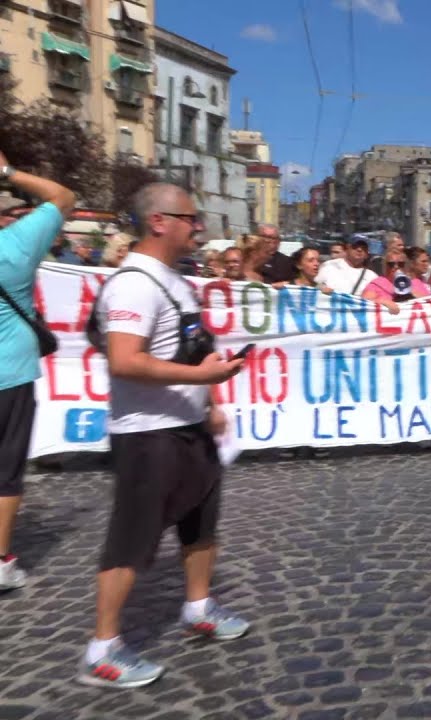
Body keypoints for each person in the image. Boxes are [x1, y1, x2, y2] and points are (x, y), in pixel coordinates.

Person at [82, 182, 247, 687]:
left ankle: (198, 607)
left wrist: (211, 400)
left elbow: (192, 350)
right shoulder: (132, 284)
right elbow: (126, 361)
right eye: (190, 218)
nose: (198, 227)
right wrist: (206, 380)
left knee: (201, 527)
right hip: (148, 434)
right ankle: (102, 649)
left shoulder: (176, 280)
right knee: (132, 541)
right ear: (159, 222)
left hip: (189, 427)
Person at [0, 151, 76, 590]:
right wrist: (8, 172)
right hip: (10, 372)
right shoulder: (14, 245)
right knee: (6, 468)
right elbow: (63, 196)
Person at [362, 247, 431, 314]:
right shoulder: (376, 285)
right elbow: (363, 304)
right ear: (385, 266)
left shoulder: (415, 283)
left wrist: (413, 293)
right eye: (391, 264)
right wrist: (383, 302)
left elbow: (430, 304)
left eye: (400, 264)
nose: (396, 267)